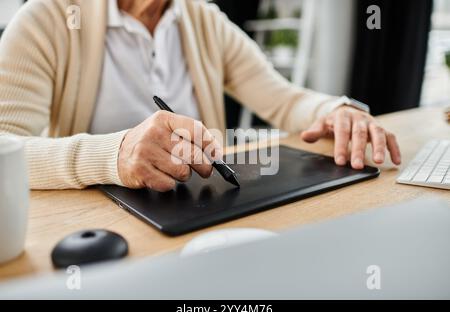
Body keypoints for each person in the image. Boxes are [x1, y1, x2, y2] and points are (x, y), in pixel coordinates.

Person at [0, 0, 401, 191]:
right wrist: (113, 155)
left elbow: (284, 100)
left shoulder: (203, 19)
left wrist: (336, 109)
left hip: (203, 213)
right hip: (102, 234)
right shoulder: (47, 17)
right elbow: (5, 150)